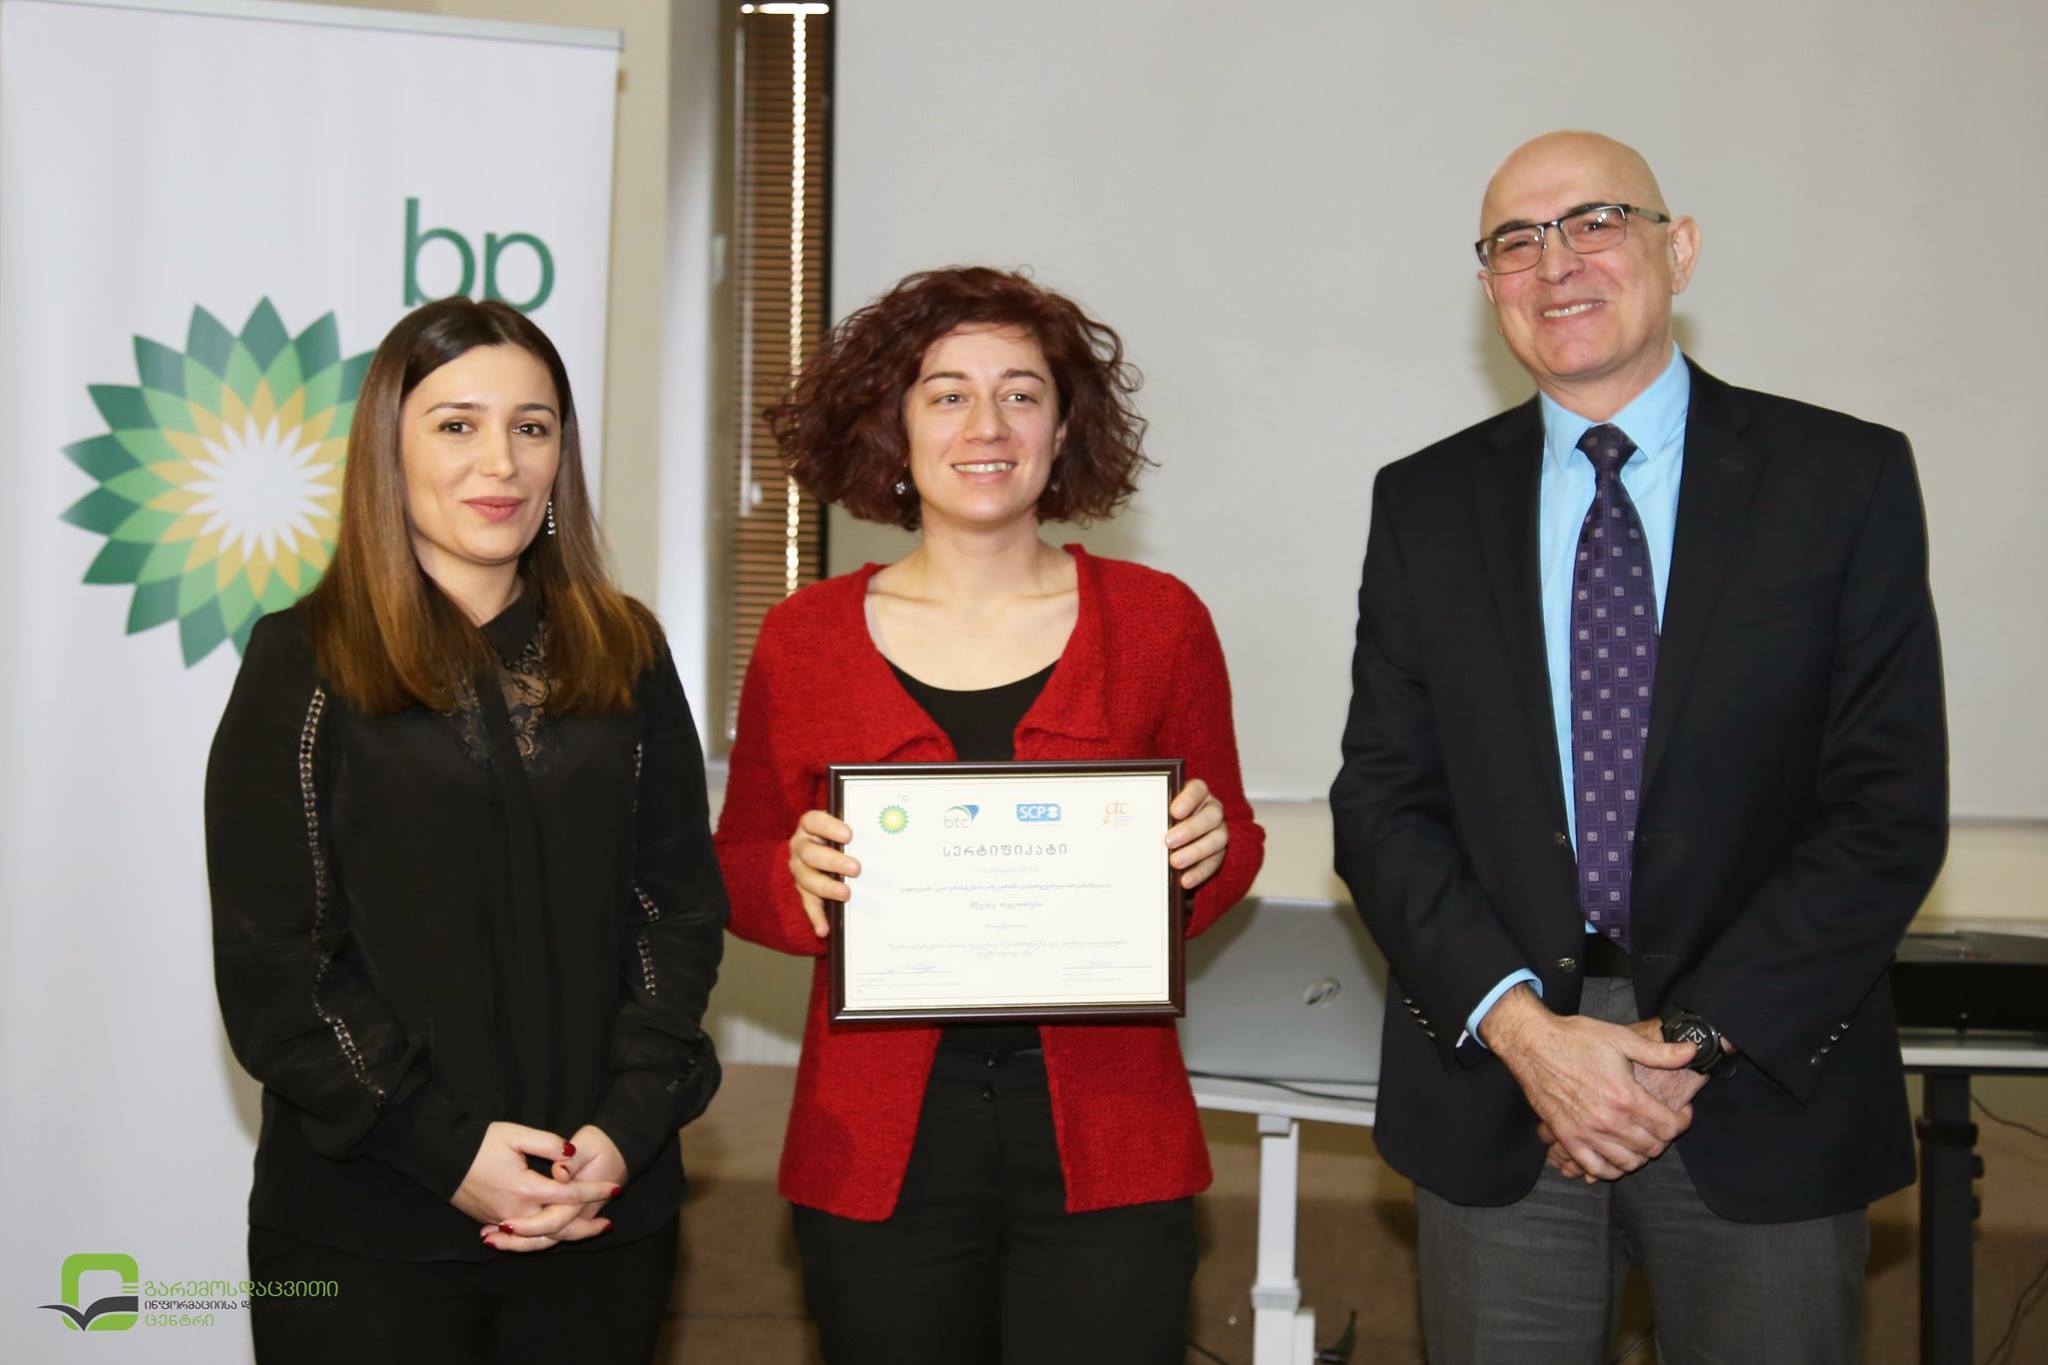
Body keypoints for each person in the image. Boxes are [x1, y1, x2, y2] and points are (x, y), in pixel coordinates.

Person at [1330, 131, 1947, 1364]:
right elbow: (1382, 805)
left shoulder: (1841, 478)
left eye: (1593, 222)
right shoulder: (1423, 502)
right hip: (1501, 1085)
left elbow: (1884, 807)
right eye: (1515, 241)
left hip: (1763, 1073)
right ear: (1488, 284)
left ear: (1680, 250)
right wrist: (1527, 1036)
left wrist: (1691, 1047)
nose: (1553, 263)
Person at [715, 266, 1264, 1365]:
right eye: (947, 394)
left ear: (1063, 430)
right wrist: (794, 879)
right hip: (876, 1142)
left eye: (1020, 393)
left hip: (1110, 1132)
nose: (986, 425)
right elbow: (736, 863)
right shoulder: (802, 637)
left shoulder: (1158, 621)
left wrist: (1206, 854)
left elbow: (1230, 837)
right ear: (895, 426)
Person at [207, 297, 726, 1364]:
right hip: (366, 1229)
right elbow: (277, 964)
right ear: (387, 449)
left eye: (533, 427)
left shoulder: (626, 649)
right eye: (457, 424)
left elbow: (674, 912)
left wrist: (624, 1129)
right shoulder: (303, 660)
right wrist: (448, 1152)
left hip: (599, 1211)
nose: (502, 461)